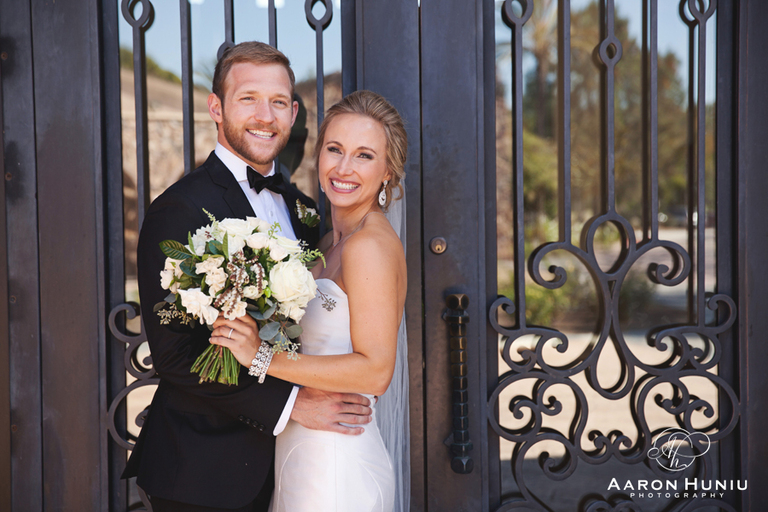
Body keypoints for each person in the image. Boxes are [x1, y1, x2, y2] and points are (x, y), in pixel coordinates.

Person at [123, 42, 374, 512]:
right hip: (203, 472)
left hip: (298, 465)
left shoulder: (303, 209)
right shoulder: (178, 210)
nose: (265, 115)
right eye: (248, 99)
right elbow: (176, 354)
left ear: (293, 112)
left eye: (278, 102)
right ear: (216, 108)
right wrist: (292, 406)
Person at [210, 90, 408, 512]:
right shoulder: (326, 245)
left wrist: (261, 357)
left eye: (364, 156)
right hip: (302, 449)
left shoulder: (368, 247)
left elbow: (376, 371)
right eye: (334, 149)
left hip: (337, 464)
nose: (343, 168)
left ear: (388, 171)